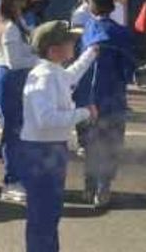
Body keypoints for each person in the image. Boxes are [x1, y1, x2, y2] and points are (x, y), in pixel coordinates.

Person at [19, 21, 98, 252]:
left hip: (50, 151)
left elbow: (70, 76)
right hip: (42, 153)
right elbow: (46, 120)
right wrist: (84, 113)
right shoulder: (44, 76)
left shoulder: (53, 72)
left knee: (48, 215)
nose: (74, 43)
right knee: (43, 217)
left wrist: (91, 53)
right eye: (69, 41)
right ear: (54, 50)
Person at [76, 0, 136, 208]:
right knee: (111, 141)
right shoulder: (121, 33)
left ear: (92, 7)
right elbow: (127, 68)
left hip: (87, 95)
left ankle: (89, 185)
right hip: (112, 95)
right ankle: (103, 188)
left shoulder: (88, 29)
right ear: (111, 7)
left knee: (90, 141)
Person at [0, 0, 40, 202]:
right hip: (10, 80)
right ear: (15, 1)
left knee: (20, 131)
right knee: (12, 133)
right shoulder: (9, 26)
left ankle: (18, 176)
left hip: (19, 80)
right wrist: (41, 60)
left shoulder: (17, 21)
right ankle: (11, 181)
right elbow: (14, 62)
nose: (28, 2)